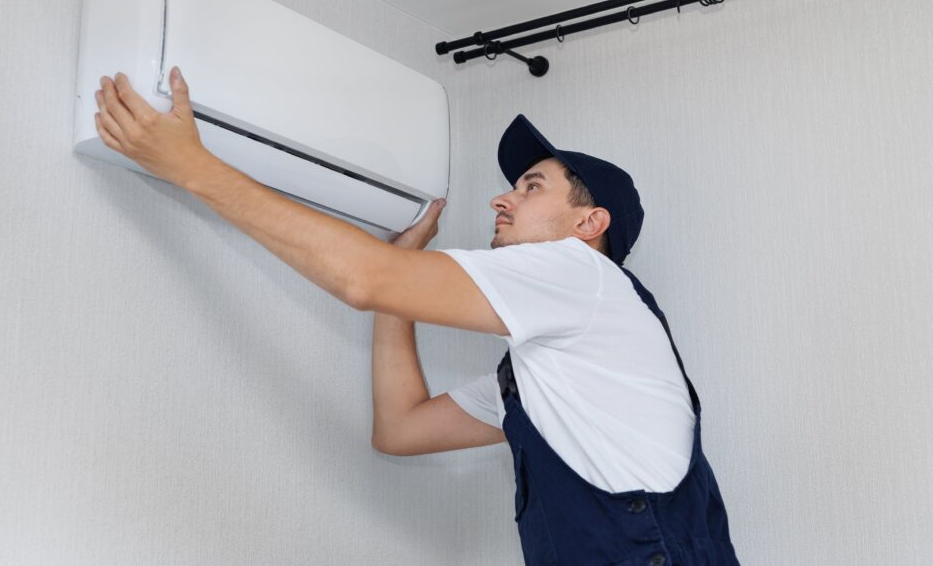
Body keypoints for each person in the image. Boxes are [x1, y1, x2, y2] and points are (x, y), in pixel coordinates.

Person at [93, 68, 740, 565]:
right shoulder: (553, 374)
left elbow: (362, 279)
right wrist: (399, 272)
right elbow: (400, 427)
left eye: (531, 185)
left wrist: (192, 166)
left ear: (588, 223)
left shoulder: (582, 275)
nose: (503, 196)